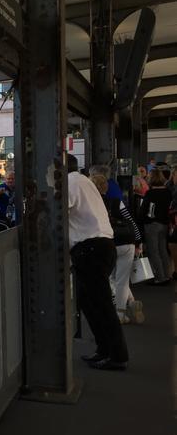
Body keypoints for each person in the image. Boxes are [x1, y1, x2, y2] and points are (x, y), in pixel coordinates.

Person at [67, 153, 128, 370]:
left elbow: (59, 211)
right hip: (101, 246)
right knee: (89, 302)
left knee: (100, 305)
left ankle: (117, 356)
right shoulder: (84, 180)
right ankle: (104, 349)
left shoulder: (71, 182)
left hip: (91, 249)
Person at [90, 174, 144, 324]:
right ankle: (131, 303)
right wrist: (139, 241)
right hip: (127, 242)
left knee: (112, 278)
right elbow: (131, 222)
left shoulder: (91, 205)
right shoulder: (116, 202)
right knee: (121, 279)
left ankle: (120, 314)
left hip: (107, 244)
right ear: (106, 187)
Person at [140, 168, 172, 284]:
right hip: (164, 224)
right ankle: (167, 275)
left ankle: (160, 277)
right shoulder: (168, 192)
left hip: (152, 224)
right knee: (162, 250)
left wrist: (142, 219)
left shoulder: (151, 193)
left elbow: (146, 210)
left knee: (153, 251)